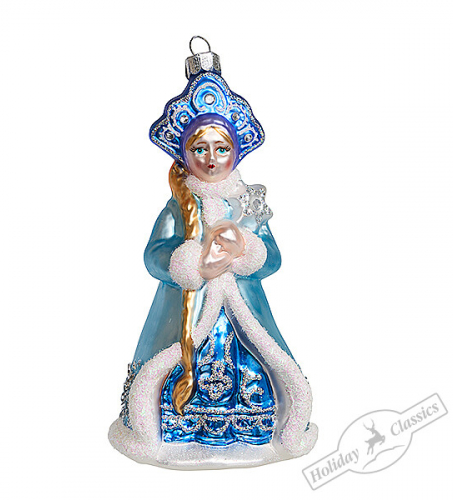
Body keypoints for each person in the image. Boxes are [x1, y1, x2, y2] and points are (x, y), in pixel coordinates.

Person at [109, 39, 317, 469]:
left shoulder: (248, 204)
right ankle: (174, 427)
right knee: (175, 362)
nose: (210, 158)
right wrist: (188, 261)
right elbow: (154, 255)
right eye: (199, 149)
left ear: (235, 152)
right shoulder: (178, 207)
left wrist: (247, 252)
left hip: (243, 308)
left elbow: (272, 258)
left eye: (221, 149)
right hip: (188, 311)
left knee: (256, 361)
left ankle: (255, 425)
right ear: (185, 154)